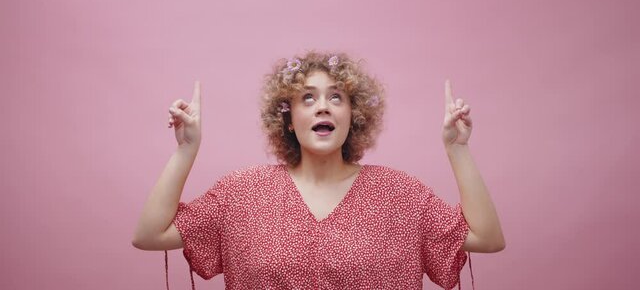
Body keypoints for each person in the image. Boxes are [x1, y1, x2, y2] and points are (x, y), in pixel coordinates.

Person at [132, 50, 505, 290]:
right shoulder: (241, 193)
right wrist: (186, 150)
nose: (322, 107)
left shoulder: (400, 194)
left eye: (336, 98)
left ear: (352, 117)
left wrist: (458, 150)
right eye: (307, 98)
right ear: (289, 120)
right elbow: (150, 234)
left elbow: (487, 239)